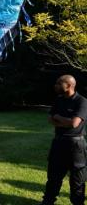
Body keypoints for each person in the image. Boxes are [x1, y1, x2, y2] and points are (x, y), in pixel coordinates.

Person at [41, 75, 87, 205]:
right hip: (58, 142)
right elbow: (50, 118)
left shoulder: (82, 101)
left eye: (58, 83)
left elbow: (74, 123)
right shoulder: (58, 100)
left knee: (77, 178)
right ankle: (48, 202)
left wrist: (58, 117)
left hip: (76, 145)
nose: (55, 85)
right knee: (53, 176)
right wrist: (64, 120)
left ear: (69, 85)